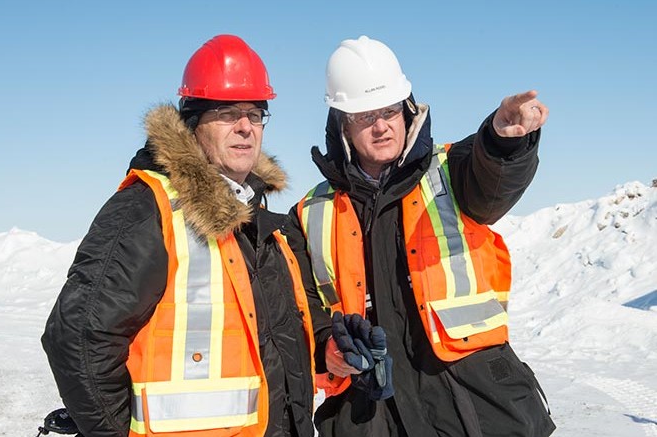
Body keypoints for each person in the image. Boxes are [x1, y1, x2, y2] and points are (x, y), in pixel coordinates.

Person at [42, 34, 324, 437]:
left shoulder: (255, 218)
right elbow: (77, 337)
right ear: (193, 125)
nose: (246, 127)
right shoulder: (147, 209)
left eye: (256, 113)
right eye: (228, 113)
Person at [286, 35, 556, 436]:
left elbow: (491, 183)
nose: (381, 126)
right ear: (341, 123)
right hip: (371, 413)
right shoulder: (309, 213)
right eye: (364, 116)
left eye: (390, 111)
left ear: (407, 109)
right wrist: (329, 349)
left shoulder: (451, 170)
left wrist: (503, 142)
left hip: (475, 405)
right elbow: (302, 311)